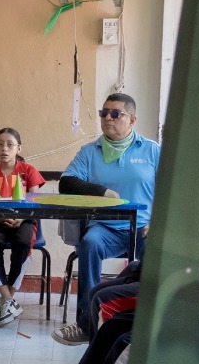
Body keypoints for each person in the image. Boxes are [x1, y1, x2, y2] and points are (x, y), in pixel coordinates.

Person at [54, 92, 159, 345]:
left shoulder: (151, 150)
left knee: (158, 252)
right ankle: (86, 325)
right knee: (89, 244)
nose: (107, 118)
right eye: (104, 113)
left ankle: (145, 325)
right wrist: (102, 192)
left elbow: (174, 188)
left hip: (144, 227)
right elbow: (66, 182)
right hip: (105, 228)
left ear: (132, 119)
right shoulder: (90, 152)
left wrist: (158, 223)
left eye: (115, 114)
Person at [0, 127, 46, 326]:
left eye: (10, 144)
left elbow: (34, 202)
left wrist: (22, 219)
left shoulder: (29, 171)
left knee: (23, 242)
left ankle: (6, 299)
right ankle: (9, 300)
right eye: (0, 144)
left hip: (24, 219)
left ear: (19, 148)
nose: (4, 149)